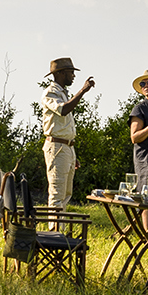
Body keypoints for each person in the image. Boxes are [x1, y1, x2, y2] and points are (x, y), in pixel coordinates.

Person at [40, 58, 95, 216]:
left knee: (66, 194)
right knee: (57, 194)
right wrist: (83, 90)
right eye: (71, 72)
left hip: (66, 148)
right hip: (57, 147)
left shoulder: (63, 93)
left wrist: (71, 152)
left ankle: (61, 234)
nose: (73, 76)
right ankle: (54, 235)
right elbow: (63, 110)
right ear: (61, 73)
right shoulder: (51, 92)